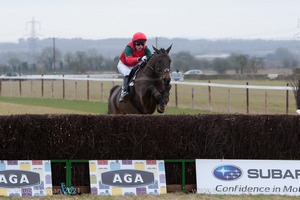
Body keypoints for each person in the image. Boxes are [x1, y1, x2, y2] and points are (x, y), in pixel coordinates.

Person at [117, 32, 152, 102]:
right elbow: (129, 60)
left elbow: (151, 58)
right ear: (134, 43)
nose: (140, 46)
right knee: (128, 73)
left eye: (142, 44)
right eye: (138, 44)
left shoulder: (146, 49)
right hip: (124, 64)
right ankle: (124, 91)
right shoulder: (128, 48)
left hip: (134, 65)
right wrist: (139, 59)